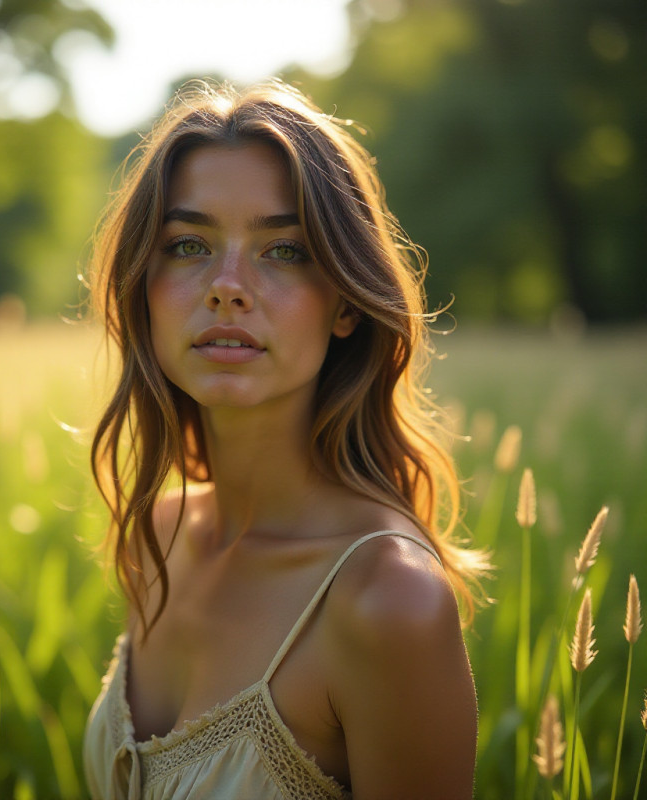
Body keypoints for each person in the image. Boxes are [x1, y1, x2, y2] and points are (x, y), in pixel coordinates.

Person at [83, 79, 489, 800]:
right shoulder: (160, 534)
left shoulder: (388, 599)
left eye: (284, 251)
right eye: (187, 244)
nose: (228, 286)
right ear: (143, 287)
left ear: (344, 304)